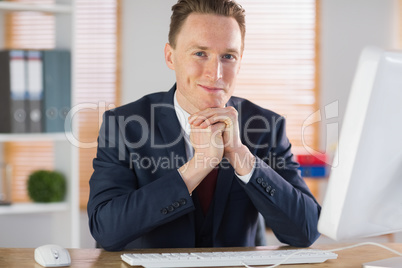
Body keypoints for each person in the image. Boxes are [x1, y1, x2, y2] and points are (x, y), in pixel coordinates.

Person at [87, 0, 321, 251]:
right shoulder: (124, 126)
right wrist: (197, 167)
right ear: (170, 56)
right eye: (200, 53)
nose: (216, 73)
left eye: (228, 56)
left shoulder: (266, 127)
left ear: (240, 62)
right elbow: (106, 229)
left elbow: (307, 231)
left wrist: (241, 157)